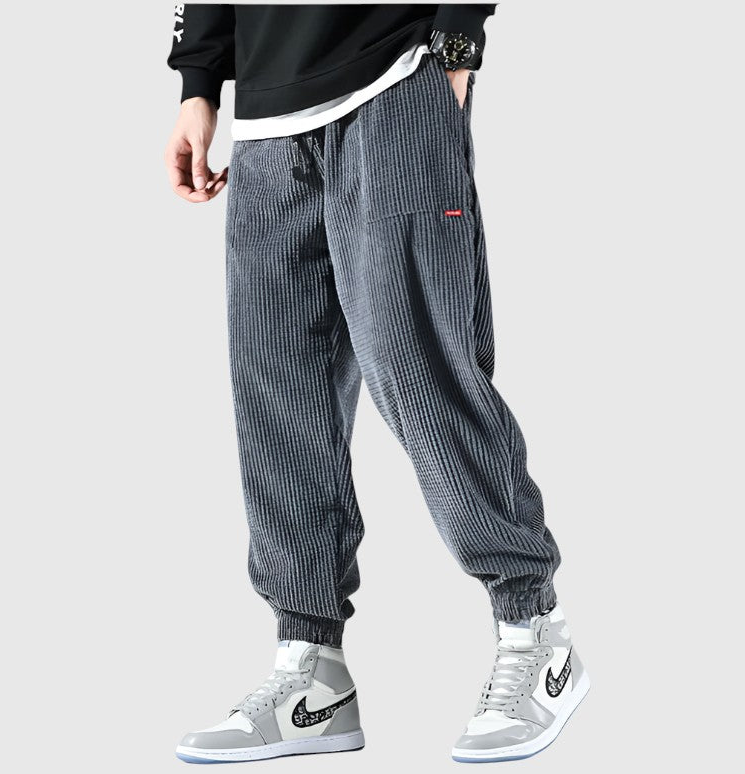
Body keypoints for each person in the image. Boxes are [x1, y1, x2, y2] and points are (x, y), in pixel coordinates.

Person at [165, 3, 588, 764]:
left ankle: (535, 631)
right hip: (266, 111)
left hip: (395, 72)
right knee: (277, 392)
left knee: (418, 368)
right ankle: (311, 671)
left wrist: (457, 44)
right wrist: (199, 81)